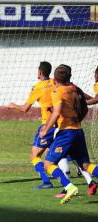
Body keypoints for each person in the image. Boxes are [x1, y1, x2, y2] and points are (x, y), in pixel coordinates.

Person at [40, 65, 98, 204]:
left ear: (54, 79)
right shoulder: (74, 89)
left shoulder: (56, 91)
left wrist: (45, 129)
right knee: (85, 165)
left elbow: (57, 111)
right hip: (78, 130)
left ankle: (69, 186)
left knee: (48, 164)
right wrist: (78, 120)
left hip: (66, 132)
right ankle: (74, 185)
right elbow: (84, 107)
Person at [7, 61, 57, 190]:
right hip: (60, 123)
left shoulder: (38, 87)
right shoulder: (55, 82)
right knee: (54, 151)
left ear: (40, 72)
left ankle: (46, 182)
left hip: (48, 125)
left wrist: (13, 105)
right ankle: (80, 168)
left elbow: (25, 109)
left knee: (35, 155)